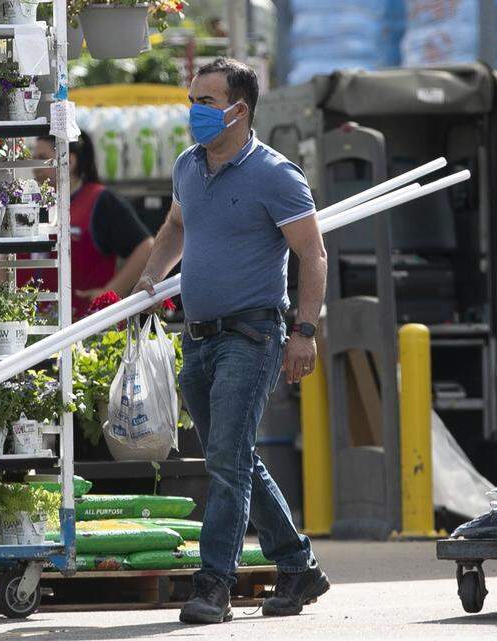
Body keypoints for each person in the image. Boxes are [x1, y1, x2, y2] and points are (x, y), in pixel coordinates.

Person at [132, 58, 329, 624]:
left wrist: (305, 332)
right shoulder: (188, 168)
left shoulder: (276, 174)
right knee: (233, 457)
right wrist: (152, 273)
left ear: (240, 110)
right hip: (198, 336)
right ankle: (297, 565)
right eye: (192, 100)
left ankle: (214, 582)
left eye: (207, 102)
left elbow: (312, 255)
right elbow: (176, 226)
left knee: (225, 460)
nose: (195, 112)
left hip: (254, 333)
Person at [30, 132, 154, 318]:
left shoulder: (101, 201)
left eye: (42, 159)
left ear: (69, 161)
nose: (35, 167)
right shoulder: (31, 205)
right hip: (36, 327)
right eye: (33, 158)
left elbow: (146, 248)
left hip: (88, 326)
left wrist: (109, 293)